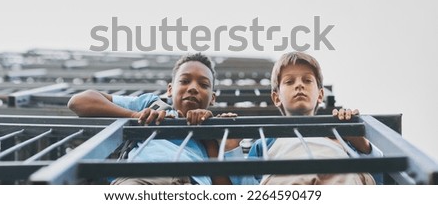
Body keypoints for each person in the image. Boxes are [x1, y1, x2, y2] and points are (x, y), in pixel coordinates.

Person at [67, 52, 233, 185]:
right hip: (142, 176)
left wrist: (209, 137)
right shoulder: (151, 104)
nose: (193, 88)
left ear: (212, 98)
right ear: (170, 89)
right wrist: (136, 116)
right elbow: (78, 102)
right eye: (184, 81)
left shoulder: (214, 127)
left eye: (203, 85)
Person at [229, 51, 382, 185]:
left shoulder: (339, 133)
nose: (299, 85)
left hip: (340, 175)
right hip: (285, 181)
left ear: (320, 95)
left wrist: (361, 142)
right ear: (276, 98)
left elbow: (378, 177)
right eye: (289, 81)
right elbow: (248, 185)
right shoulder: (265, 142)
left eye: (307, 80)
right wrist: (232, 149)